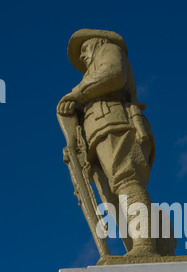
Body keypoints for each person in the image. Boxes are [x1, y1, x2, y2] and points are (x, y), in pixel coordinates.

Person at [57, 29, 176, 258]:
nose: (82, 56)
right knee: (112, 199)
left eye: (84, 48)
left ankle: (145, 245)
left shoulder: (109, 50)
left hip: (116, 123)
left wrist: (76, 94)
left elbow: (114, 74)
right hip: (98, 134)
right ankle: (146, 247)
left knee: (126, 180)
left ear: (98, 41)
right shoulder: (89, 77)